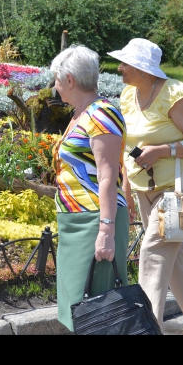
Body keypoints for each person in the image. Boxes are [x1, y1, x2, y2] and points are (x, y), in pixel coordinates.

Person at [107, 37, 183, 335]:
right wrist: (127, 188)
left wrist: (162, 151)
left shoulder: (175, 94)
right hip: (144, 189)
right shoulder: (127, 95)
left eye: (125, 63)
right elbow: (125, 145)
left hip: (177, 192)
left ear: (143, 69)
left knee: (153, 253)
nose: (119, 68)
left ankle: (146, 327)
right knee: (175, 260)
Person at [51, 45, 130, 332]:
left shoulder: (102, 113)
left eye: (56, 80)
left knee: (97, 311)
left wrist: (106, 232)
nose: (55, 87)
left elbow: (109, 175)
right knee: (76, 307)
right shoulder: (80, 114)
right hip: (74, 220)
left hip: (95, 220)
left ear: (69, 80)